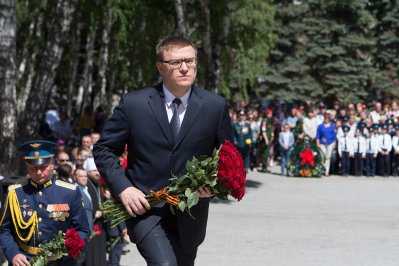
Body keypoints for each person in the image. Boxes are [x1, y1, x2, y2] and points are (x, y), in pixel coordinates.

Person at [93, 36, 233, 266]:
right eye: (176, 62)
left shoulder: (214, 106)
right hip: (145, 208)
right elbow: (104, 149)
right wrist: (124, 189)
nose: (185, 67)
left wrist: (216, 184)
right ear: (160, 66)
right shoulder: (134, 104)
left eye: (190, 60)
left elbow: (229, 157)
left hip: (191, 212)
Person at [0, 140, 90, 266]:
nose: (38, 172)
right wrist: (13, 253)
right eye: (33, 168)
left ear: (52, 164)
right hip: (25, 261)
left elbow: (83, 230)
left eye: (43, 167)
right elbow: (5, 230)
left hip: (61, 262)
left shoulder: (69, 192)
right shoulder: (15, 193)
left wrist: (62, 250)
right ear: (27, 166)